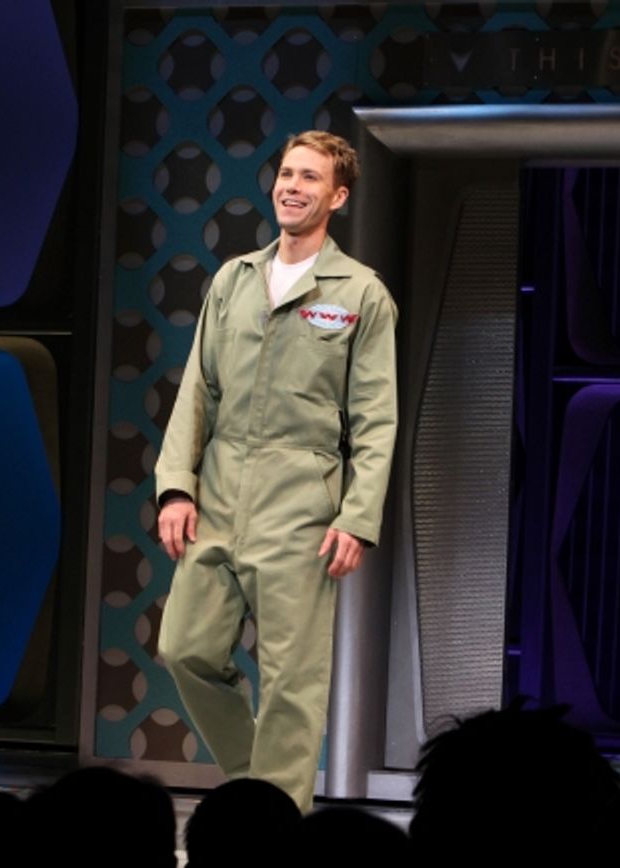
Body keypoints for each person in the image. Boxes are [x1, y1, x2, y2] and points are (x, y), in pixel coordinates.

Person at [154, 130, 397, 811]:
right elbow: (196, 392)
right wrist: (177, 486)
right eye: (286, 173)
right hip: (222, 488)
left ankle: (276, 825)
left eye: (310, 178)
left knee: (292, 679)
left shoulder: (360, 294)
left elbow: (376, 418)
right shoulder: (233, 279)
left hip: (302, 503)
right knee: (184, 647)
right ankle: (259, 789)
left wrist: (357, 516)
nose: (292, 186)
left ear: (338, 196)